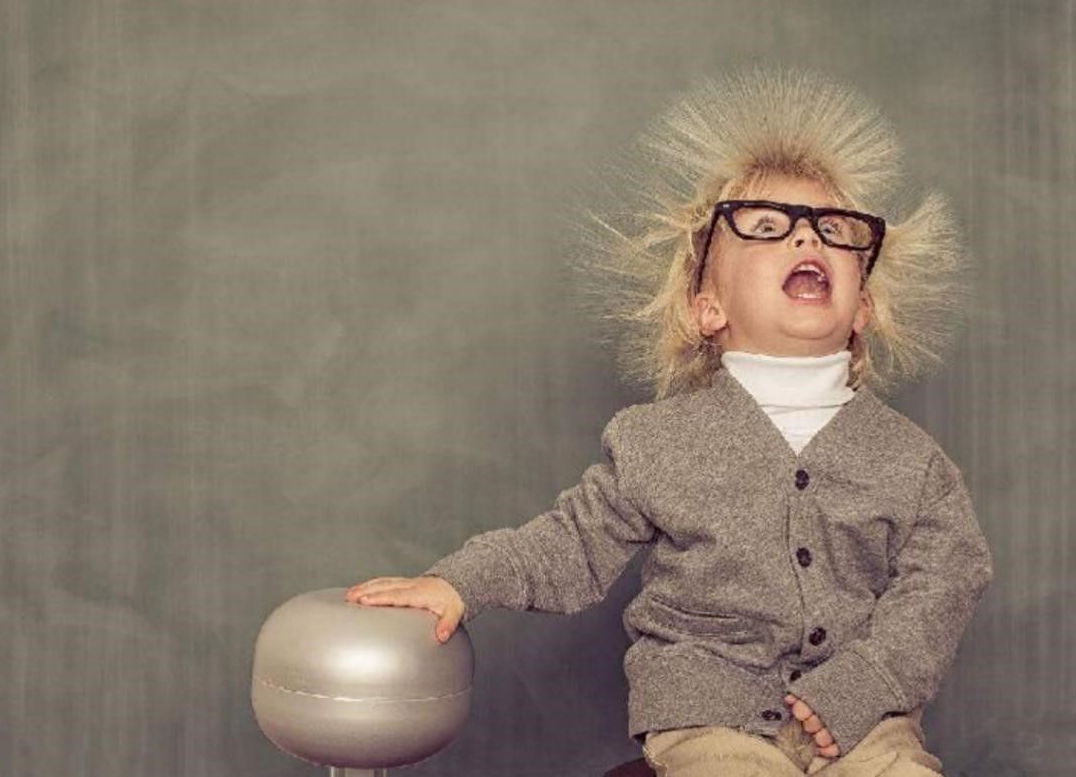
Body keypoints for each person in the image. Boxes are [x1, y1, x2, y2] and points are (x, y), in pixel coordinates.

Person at [346, 66, 993, 776]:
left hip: (864, 724)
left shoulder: (913, 462)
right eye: (767, 227)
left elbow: (946, 579)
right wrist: (459, 582)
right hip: (709, 719)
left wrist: (870, 678)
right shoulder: (656, 442)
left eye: (833, 231)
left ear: (862, 305)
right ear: (707, 307)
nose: (806, 241)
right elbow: (567, 546)